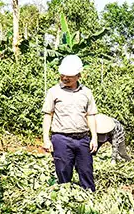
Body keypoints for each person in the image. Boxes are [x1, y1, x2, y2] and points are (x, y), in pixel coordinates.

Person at [42, 55, 99, 191]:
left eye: (69, 76)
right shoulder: (53, 92)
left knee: (86, 171)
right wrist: (46, 139)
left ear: (79, 76)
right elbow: (47, 115)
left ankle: (89, 200)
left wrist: (94, 138)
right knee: (63, 171)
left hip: (82, 139)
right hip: (61, 138)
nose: (65, 78)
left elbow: (90, 115)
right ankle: (65, 197)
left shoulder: (86, 93)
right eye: (63, 75)